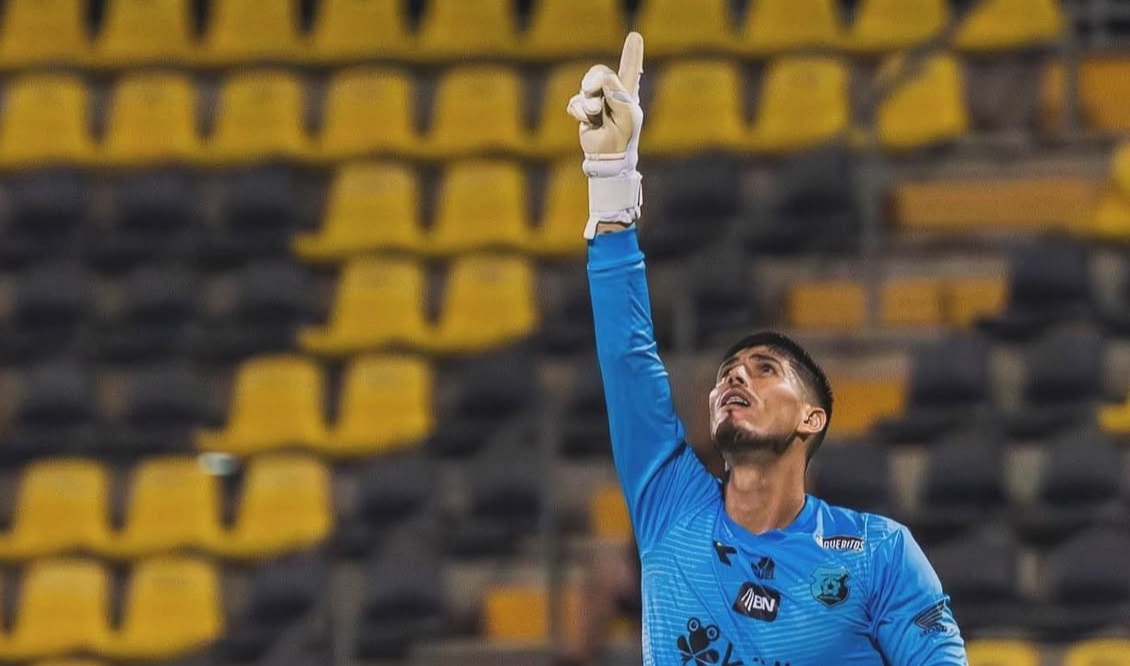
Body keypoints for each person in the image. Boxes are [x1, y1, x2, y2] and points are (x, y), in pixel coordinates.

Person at [568, 33, 969, 665]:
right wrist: (611, 181)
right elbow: (628, 358)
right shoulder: (668, 505)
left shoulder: (879, 553)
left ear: (812, 418)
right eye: (728, 371)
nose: (735, 377)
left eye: (765, 369)